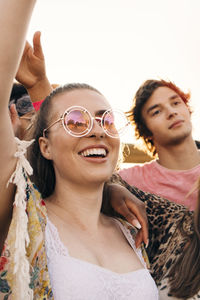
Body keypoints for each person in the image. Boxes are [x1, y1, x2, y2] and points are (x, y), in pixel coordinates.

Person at [0, 1, 157, 299]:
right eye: (76, 121)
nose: (97, 129)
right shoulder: (20, 217)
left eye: (106, 120)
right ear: (44, 146)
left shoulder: (133, 227)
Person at [119, 79, 200, 210]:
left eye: (176, 103)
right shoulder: (130, 180)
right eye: (156, 112)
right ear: (145, 130)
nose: (172, 112)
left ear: (187, 108)